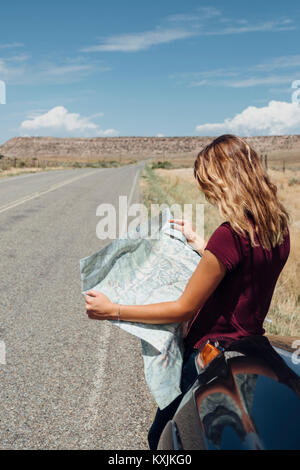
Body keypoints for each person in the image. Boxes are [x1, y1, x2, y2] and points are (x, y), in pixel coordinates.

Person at [84, 134, 290, 449]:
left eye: (208, 182)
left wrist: (112, 310)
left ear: (225, 180)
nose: (206, 192)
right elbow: (245, 275)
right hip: (252, 350)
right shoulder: (278, 228)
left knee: (164, 437)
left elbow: (184, 308)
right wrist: (202, 246)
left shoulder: (230, 235)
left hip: (209, 354)